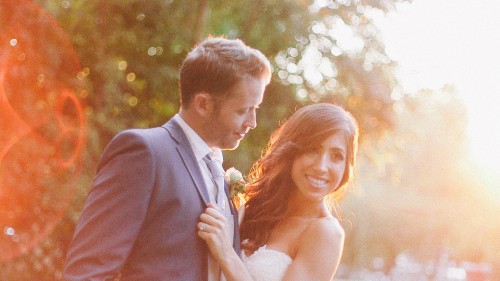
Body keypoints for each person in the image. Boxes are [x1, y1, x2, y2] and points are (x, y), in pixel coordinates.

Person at [63, 37, 271, 281]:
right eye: (243, 110)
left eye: (255, 109)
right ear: (203, 104)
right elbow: (88, 271)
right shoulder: (144, 153)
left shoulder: (223, 178)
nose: (252, 122)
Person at [197, 103, 359, 281]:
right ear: (292, 151)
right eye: (313, 150)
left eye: (336, 156)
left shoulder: (325, 232)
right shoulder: (256, 206)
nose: (321, 166)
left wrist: (226, 253)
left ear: (346, 167)